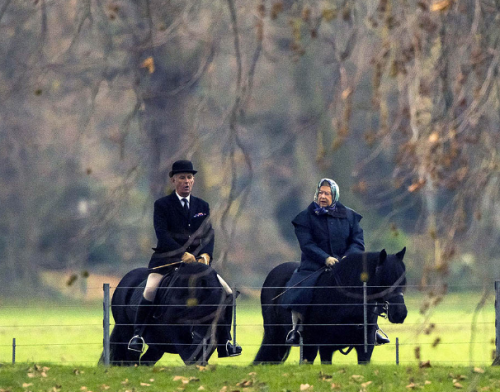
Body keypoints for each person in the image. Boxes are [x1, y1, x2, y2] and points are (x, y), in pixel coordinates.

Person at [128, 160, 242, 358]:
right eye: (182, 177)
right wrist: (182, 254)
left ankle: (225, 341)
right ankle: (138, 336)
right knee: (150, 290)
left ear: (193, 180)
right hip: (168, 262)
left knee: (227, 292)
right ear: (174, 180)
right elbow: (162, 234)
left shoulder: (202, 205)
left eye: (190, 177)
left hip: (199, 265)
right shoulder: (162, 205)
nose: (187, 181)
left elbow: (209, 234)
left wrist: (205, 254)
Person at [283, 178, 390, 346]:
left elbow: (357, 241)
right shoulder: (304, 218)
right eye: (320, 193)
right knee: (300, 289)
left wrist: (348, 258)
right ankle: (297, 329)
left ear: (335, 196)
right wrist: (325, 258)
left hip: (346, 267)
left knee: (366, 288)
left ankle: (373, 328)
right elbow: (307, 244)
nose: (322, 196)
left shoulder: (350, 216)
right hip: (314, 266)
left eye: (327, 193)